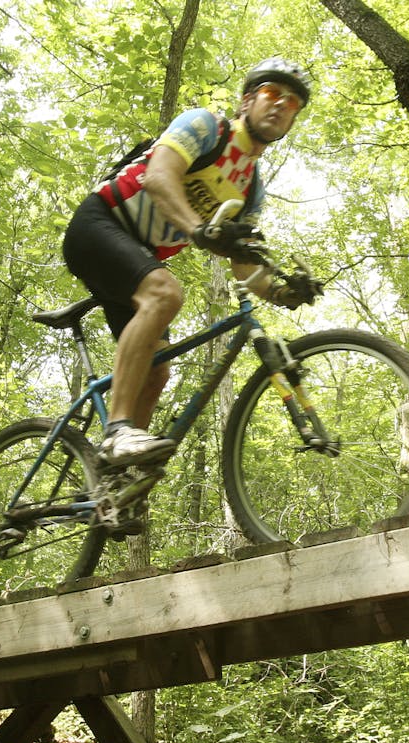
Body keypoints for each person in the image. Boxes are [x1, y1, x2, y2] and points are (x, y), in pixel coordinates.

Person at [62, 57, 323, 468]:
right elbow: (159, 177)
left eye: (291, 103)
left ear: (292, 121)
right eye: (272, 94)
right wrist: (198, 228)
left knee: (157, 371)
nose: (279, 105)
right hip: (100, 224)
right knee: (165, 292)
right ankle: (118, 433)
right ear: (247, 100)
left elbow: (244, 264)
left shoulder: (251, 189)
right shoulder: (205, 127)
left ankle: (119, 480)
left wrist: (282, 290)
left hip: (136, 258)